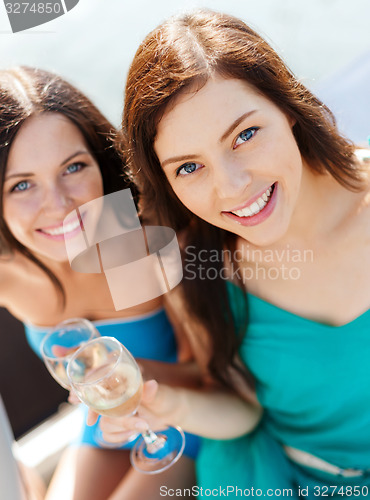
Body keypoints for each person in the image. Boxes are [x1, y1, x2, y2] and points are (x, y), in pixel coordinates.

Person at [101, 9, 370, 498]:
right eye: (188, 168)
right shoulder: (199, 269)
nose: (231, 188)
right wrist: (173, 408)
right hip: (295, 480)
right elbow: (244, 408)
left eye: (245, 135)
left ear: (287, 106)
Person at [0, 66, 203, 500]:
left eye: (73, 167)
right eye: (21, 185)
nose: (58, 205)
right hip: (101, 427)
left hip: (182, 423)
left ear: (99, 159)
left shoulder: (131, 239)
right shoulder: (8, 271)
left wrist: (125, 378)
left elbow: (209, 375)